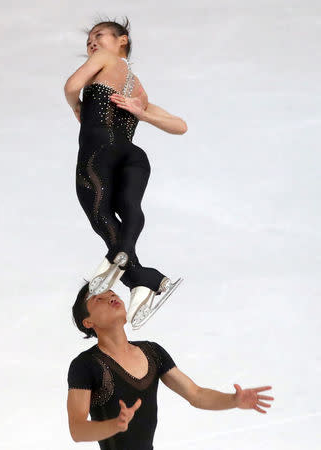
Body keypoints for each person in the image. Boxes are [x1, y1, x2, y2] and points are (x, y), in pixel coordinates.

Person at [63, 18, 186, 328]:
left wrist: (75, 106)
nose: (92, 43)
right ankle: (141, 282)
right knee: (129, 207)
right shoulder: (138, 89)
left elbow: (71, 86)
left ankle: (139, 272)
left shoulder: (104, 60)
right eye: (89, 40)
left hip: (99, 152)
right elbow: (180, 126)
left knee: (99, 212)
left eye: (99, 35)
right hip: (132, 156)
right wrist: (142, 112)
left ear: (122, 41)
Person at [67, 286, 274, 449]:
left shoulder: (153, 352)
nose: (110, 296)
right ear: (88, 322)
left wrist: (233, 400)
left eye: (111, 292)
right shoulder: (85, 365)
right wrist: (115, 425)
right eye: (98, 299)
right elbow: (77, 430)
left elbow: (196, 394)